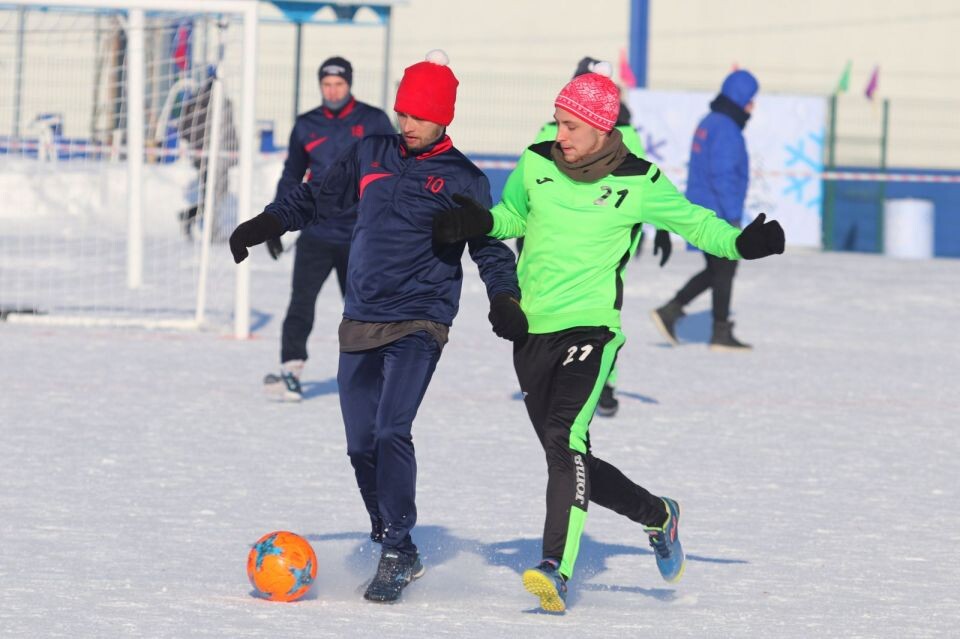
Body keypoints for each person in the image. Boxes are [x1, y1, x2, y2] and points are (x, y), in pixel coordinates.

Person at [432, 71, 784, 612]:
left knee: (562, 438)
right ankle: (659, 516)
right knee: (569, 459)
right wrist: (480, 222)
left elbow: (696, 224)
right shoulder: (536, 160)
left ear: (600, 128)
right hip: (531, 330)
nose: (561, 135)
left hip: (591, 328)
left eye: (571, 126)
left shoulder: (638, 180)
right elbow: (513, 216)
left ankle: (556, 568)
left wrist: (741, 242)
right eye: (558, 122)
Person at [229, 50, 524, 604]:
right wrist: (266, 222)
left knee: (392, 429)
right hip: (361, 314)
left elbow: (490, 248)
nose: (405, 124)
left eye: (417, 116)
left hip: (421, 317)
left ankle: (398, 547)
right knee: (359, 443)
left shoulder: (464, 177)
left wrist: (503, 298)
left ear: (444, 118)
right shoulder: (370, 151)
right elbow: (316, 197)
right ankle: (388, 528)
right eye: (401, 113)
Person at [531, 56, 672, 417]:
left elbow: (644, 185)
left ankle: (604, 380)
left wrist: (656, 224)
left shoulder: (628, 134)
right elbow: (530, 183)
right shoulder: (551, 131)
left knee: (602, 309)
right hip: (556, 238)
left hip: (607, 238)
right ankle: (564, 375)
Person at [262, 56, 395, 401]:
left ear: (349, 84)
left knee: (363, 307)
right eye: (326, 85)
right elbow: (292, 175)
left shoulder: (373, 120)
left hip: (359, 234)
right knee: (300, 304)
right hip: (317, 233)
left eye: (338, 84)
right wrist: (276, 221)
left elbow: (394, 170)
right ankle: (291, 370)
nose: (332, 90)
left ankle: (374, 373)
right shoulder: (307, 124)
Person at [650, 70, 760, 351]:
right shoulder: (726, 128)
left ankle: (674, 312)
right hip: (718, 212)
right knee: (724, 269)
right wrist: (733, 216)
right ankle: (715, 330)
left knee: (717, 270)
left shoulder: (710, 122)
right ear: (739, 98)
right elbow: (722, 175)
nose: (752, 106)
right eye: (750, 99)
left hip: (704, 207)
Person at [177, 66, 237, 242]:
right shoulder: (202, 103)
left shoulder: (215, 102)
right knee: (213, 194)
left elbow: (230, 130)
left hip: (215, 157)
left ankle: (190, 216)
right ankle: (207, 228)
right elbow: (186, 128)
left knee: (217, 193)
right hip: (208, 158)